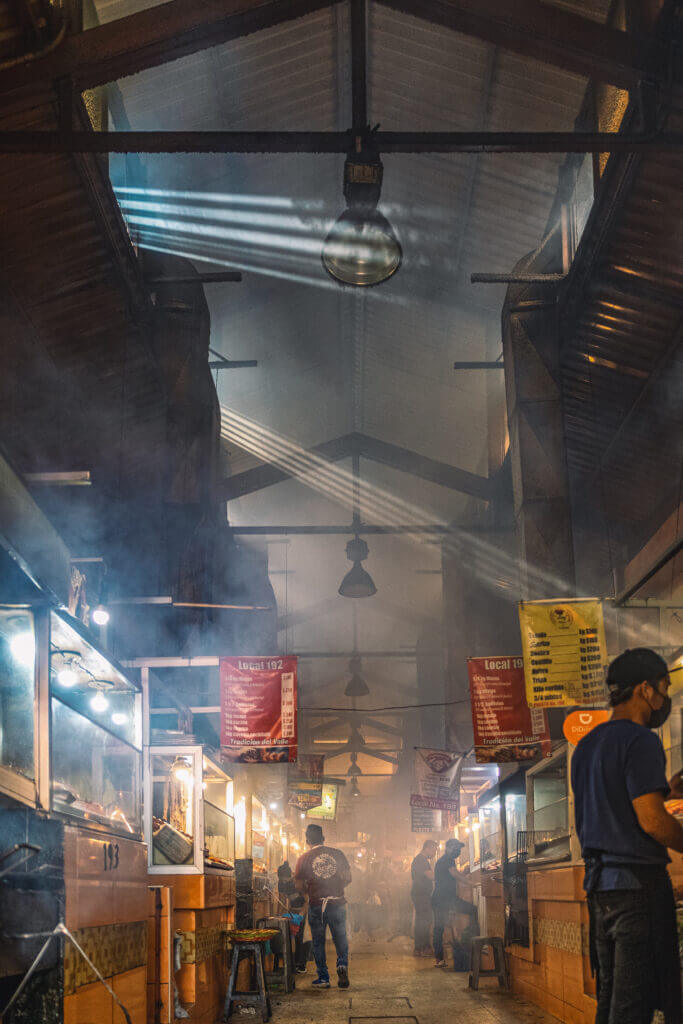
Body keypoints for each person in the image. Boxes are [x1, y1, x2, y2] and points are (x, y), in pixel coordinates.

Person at [571, 648, 683, 1024]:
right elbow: (651, 821)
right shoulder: (640, 740)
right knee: (633, 1007)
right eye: (664, 688)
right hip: (638, 888)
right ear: (645, 689)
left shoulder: (586, 746)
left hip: (600, 889)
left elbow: (610, 809)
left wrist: (667, 790)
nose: (665, 698)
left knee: (612, 998)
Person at [294, 823, 352, 989]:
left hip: (316, 904)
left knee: (318, 942)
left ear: (307, 840)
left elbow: (298, 885)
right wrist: (337, 889)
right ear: (324, 838)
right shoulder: (338, 854)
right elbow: (348, 877)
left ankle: (324, 978)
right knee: (340, 937)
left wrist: (310, 893)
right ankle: (342, 965)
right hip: (337, 902)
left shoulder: (303, 858)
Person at [432, 838, 475, 968]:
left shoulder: (445, 861)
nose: (458, 851)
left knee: (439, 928)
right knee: (472, 910)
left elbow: (453, 874)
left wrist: (465, 874)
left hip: (445, 899)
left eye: (459, 849)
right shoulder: (447, 860)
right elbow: (455, 875)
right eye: (456, 848)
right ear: (449, 847)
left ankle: (440, 958)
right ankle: (473, 941)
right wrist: (471, 883)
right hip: (443, 900)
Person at [410, 840, 437, 955]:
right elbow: (431, 876)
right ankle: (423, 948)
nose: (435, 853)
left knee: (422, 920)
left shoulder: (420, 860)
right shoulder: (421, 860)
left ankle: (420, 948)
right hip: (421, 894)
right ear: (428, 848)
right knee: (425, 920)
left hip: (419, 893)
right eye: (434, 850)